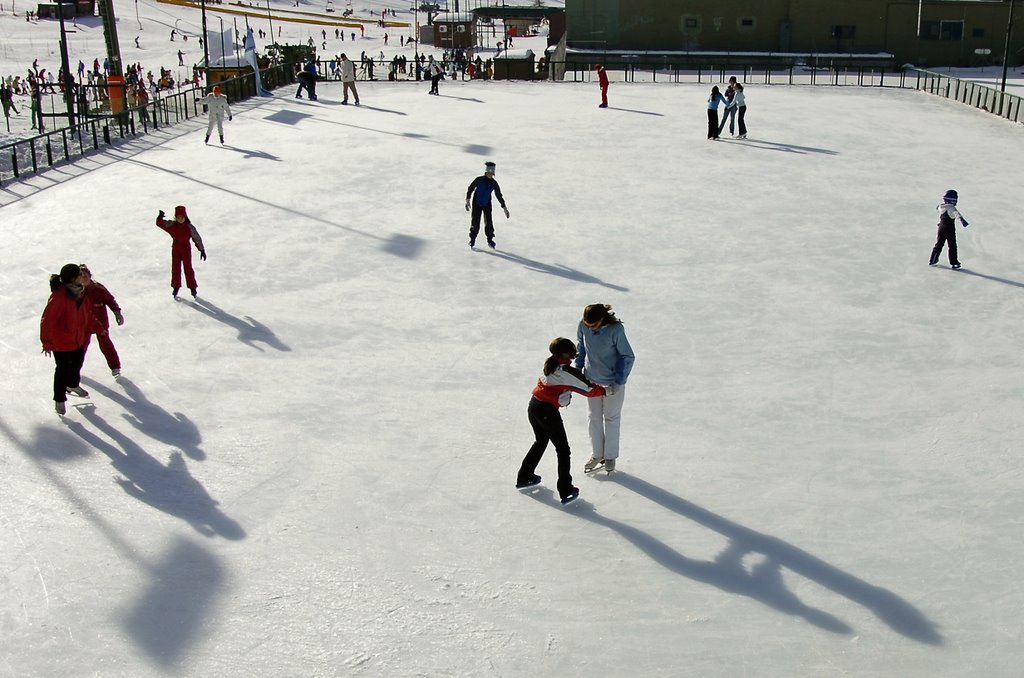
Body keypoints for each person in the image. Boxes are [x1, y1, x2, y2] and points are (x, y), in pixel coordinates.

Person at [517, 338, 606, 505]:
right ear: (566, 354)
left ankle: (524, 476)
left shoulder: (549, 365)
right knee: (563, 450)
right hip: (546, 412)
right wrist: (607, 390)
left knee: (541, 440)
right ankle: (566, 490)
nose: (573, 357)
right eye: (572, 354)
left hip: (534, 406)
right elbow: (588, 389)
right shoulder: (564, 371)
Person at [575, 304, 635, 473]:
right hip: (591, 380)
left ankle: (610, 456)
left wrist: (619, 381)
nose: (589, 328)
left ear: (601, 319)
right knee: (593, 416)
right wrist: (577, 370)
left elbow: (627, 356)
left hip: (612, 382)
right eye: (587, 325)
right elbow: (581, 347)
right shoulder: (583, 326)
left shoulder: (616, 330)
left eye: (592, 325)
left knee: (611, 418)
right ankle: (596, 454)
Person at [40, 264, 95, 415]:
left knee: (77, 364)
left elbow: (86, 313)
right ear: (72, 279)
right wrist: (47, 342)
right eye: (79, 274)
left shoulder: (81, 292)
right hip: (61, 342)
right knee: (62, 369)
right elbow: (47, 320)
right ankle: (59, 399)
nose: (82, 277)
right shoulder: (59, 297)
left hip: (77, 338)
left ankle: (72, 385)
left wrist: (91, 326)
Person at [79, 264, 124, 377]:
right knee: (81, 347)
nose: (83, 278)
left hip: (100, 322)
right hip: (84, 324)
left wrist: (117, 312)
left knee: (105, 344)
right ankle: (74, 369)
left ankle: (115, 367)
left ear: (90, 276)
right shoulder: (77, 290)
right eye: (81, 276)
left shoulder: (98, 289)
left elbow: (110, 300)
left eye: (85, 276)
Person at [155, 205, 207, 298]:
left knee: (188, 269)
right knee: (176, 269)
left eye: (182, 217)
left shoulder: (189, 227)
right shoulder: (172, 226)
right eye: (178, 217)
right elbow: (161, 224)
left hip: (186, 250)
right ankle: (176, 287)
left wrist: (202, 250)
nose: (180, 219)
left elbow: (197, 238)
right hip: (176, 250)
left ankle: (193, 288)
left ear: (185, 217)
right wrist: (159, 217)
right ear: (176, 217)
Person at [465, 161, 509, 249]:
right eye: (489, 173)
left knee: (489, 222)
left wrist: (504, 207)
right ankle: (472, 239)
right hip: (477, 203)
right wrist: (468, 199)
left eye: (492, 173)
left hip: (487, 204)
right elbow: (471, 188)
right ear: (486, 172)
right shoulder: (479, 180)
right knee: (475, 222)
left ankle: (490, 240)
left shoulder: (494, 183)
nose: (491, 175)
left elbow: (499, 195)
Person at [929, 189, 969, 269]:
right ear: (952, 200)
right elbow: (956, 213)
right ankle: (954, 262)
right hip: (949, 228)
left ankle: (933, 259)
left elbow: (938, 209)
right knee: (952, 245)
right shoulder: (951, 207)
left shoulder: (941, 206)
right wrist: (962, 219)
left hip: (941, 227)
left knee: (939, 243)